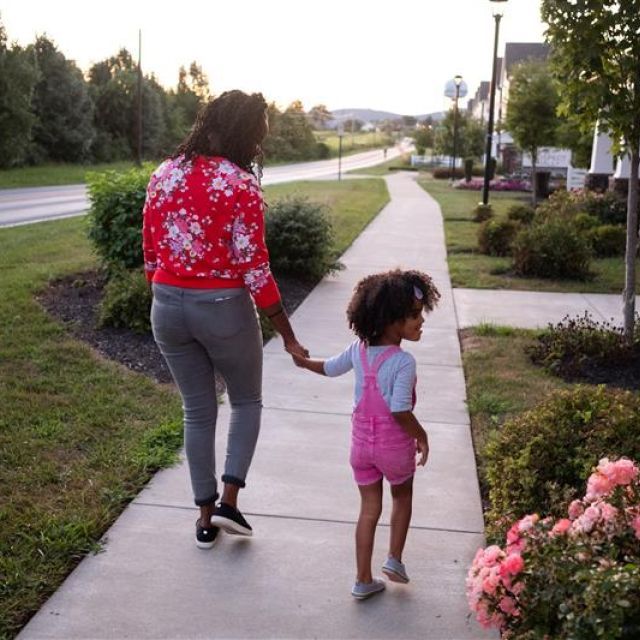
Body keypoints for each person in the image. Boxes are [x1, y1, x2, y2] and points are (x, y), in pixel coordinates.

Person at [142, 90, 308, 549]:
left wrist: (169, 293)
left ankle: (202, 518)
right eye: (258, 137)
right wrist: (288, 336)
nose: (258, 147)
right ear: (242, 133)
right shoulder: (238, 184)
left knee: (196, 411)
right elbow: (254, 267)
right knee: (246, 401)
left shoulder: (164, 174)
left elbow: (151, 252)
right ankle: (228, 505)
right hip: (222, 307)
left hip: (166, 305)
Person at [292, 269, 440, 599]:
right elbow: (400, 410)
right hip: (393, 447)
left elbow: (330, 367)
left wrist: (304, 363)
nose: (421, 322)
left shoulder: (358, 349)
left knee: (368, 510)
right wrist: (422, 435)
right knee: (402, 496)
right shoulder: (403, 361)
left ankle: (362, 579)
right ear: (390, 320)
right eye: (414, 316)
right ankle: (394, 561)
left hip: (360, 447)